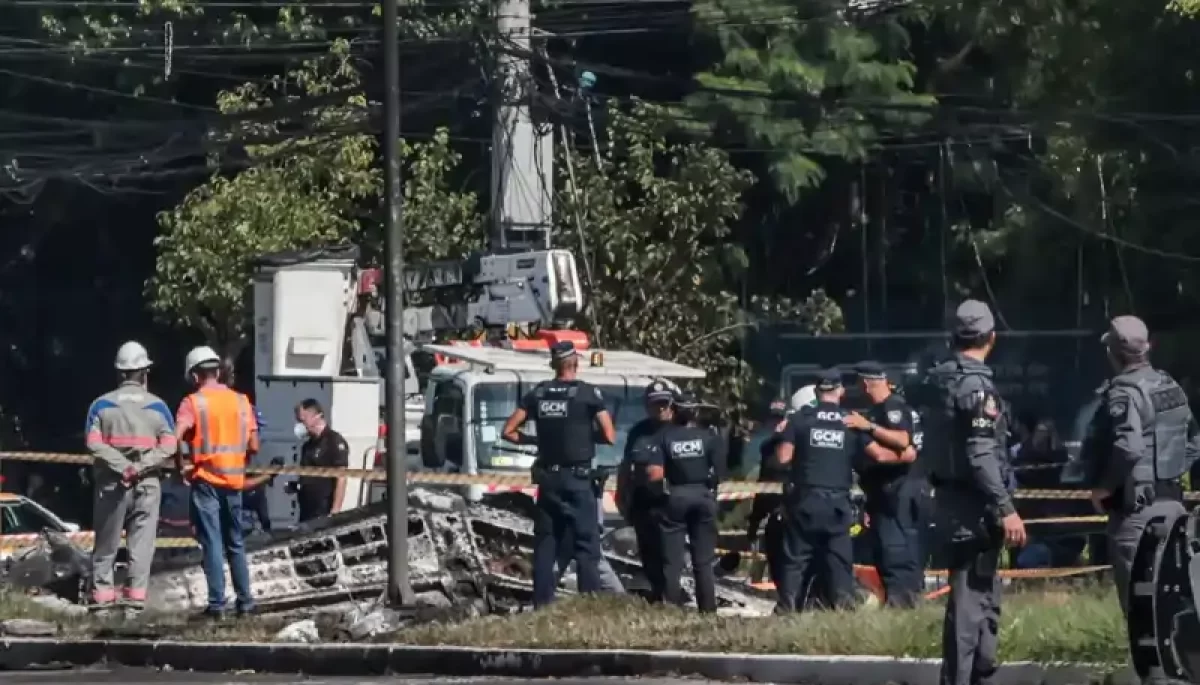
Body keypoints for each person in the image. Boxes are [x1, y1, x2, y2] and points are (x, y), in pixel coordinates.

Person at [1085, 316, 1199, 682]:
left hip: (1137, 517)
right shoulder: (1170, 387)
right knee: (1178, 607)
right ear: (1147, 347)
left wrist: (1104, 487)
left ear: (1113, 353)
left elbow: (1128, 446)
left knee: (1143, 617)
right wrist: (1168, 474)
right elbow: (1193, 440)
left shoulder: (1122, 393)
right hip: (1174, 508)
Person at [922, 300, 1026, 685]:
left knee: (983, 597)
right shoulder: (977, 387)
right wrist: (1006, 508)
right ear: (991, 338)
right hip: (975, 507)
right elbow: (981, 453)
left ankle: (980, 675)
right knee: (969, 604)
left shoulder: (938, 379)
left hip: (949, 500)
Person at [502, 341, 616, 608]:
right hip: (578, 480)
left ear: (554, 364)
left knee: (546, 544)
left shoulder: (538, 393)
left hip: (549, 481)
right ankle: (590, 605)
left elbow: (508, 431)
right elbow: (610, 435)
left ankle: (542, 604)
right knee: (586, 544)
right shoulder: (587, 394)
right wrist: (587, 437)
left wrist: (534, 440)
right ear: (575, 363)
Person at [85, 341, 176, 616]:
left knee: (106, 546)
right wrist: (140, 467)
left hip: (112, 484)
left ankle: (101, 606)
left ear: (119, 373)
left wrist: (122, 466)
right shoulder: (158, 407)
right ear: (144, 373)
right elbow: (169, 446)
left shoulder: (100, 405)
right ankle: (133, 607)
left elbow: (93, 443)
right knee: (141, 547)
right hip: (147, 484)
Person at [174, 345, 259, 618]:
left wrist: (181, 467)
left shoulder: (193, 402)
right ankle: (246, 604)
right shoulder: (241, 401)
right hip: (234, 482)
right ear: (218, 371)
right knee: (236, 542)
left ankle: (217, 606)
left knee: (212, 542)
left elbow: (176, 436)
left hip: (207, 482)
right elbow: (254, 444)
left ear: (195, 375)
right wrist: (237, 461)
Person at [773, 369, 860, 613]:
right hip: (838, 501)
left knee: (795, 560)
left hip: (806, 499)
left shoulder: (800, 419)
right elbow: (869, 457)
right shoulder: (850, 421)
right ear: (840, 391)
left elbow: (783, 458)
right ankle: (844, 610)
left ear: (817, 391)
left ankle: (787, 609)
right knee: (839, 561)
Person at [847, 360, 922, 608]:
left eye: (859, 383)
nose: (857, 389)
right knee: (884, 551)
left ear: (867, 383)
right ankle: (897, 600)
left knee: (895, 551)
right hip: (881, 495)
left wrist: (867, 427)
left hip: (897, 492)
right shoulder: (879, 410)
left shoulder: (893, 407)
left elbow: (903, 442)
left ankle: (903, 602)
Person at [640, 393, 725, 613]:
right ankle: (708, 611)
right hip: (704, 497)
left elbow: (654, 475)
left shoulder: (663, 437)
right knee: (703, 562)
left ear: (674, 410)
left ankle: (671, 609)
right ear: (695, 412)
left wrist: (658, 496)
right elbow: (720, 472)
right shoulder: (710, 437)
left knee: (672, 562)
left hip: (676, 497)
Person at [614, 379, 676, 602]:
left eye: (663, 403)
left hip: (669, 501)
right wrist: (621, 495)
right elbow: (626, 465)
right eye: (654, 404)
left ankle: (672, 595)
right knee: (647, 550)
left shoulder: (680, 429)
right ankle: (657, 593)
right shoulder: (638, 431)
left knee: (669, 553)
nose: (659, 408)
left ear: (671, 404)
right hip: (642, 499)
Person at [746, 398, 790, 587]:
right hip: (773, 511)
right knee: (773, 556)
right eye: (774, 420)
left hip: (794, 510)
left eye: (780, 420)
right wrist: (755, 520)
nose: (777, 424)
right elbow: (762, 484)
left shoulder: (799, 445)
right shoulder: (766, 447)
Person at [291, 399, 350, 523]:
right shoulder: (307, 446)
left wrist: (335, 510)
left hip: (323, 511)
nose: (300, 425)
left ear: (316, 417)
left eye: (302, 420)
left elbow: (341, 477)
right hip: (306, 512)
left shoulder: (333, 441)